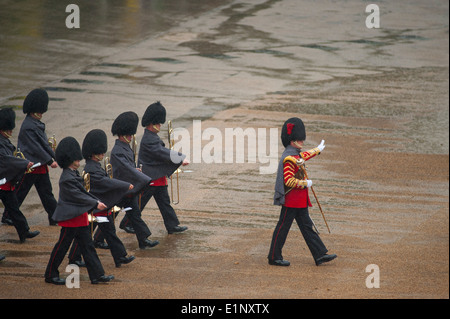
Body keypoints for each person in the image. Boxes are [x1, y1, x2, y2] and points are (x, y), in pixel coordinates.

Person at [44, 136, 114, 285]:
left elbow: (84, 193)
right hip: (71, 218)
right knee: (62, 247)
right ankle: (50, 274)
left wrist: (96, 201)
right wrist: (95, 203)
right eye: (76, 159)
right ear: (70, 160)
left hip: (78, 217)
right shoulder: (67, 178)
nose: (79, 161)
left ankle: (97, 275)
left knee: (88, 247)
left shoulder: (73, 173)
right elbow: (78, 196)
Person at [268, 117, 337, 266]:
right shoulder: (288, 158)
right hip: (292, 200)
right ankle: (274, 256)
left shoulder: (294, 155)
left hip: (299, 201)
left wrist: (317, 150)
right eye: (300, 140)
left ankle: (319, 255)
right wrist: (305, 183)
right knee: (283, 227)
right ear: (292, 141)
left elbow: (304, 156)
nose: (302, 142)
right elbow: (288, 181)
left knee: (307, 228)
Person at [67, 129, 135, 268]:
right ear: (93, 153)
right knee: (86, 235)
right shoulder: (92, 168)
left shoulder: (95, 166)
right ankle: (74, 257)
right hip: (95, 208)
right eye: (100, 152)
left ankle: (120, 257)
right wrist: (125, 185)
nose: (103, 154)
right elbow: (106, 182)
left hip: (101, 207)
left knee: (109, 233)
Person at [2, 88, 58, 226]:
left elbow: (43, 144)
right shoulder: (29, 126)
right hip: (29, 165)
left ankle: (54, 215)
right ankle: (8, 215)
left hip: (39, 165)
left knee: (47, 194)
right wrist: (50, 160)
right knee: (20, 192)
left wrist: (54, 156)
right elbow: (36, 148)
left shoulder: (35, 123)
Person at [137, 101, 189, 234]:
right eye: (159, 123)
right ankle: (128, 222)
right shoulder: (149, 139)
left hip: (157, 177)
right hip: (150, 177)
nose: (160, 125)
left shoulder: (152, 137)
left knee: (165, 203)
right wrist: (180, 157)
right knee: (140, 204)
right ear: (152, 123)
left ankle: (172, 226)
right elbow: (162, 152)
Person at [110, 111, 159, 249]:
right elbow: (126, 168)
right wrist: (143, 178)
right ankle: (97, 238)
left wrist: (136, 171)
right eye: (129, 135)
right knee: (111, 216)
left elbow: (129, 167)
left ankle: (143, 240)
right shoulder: (118, 150)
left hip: (128, 187)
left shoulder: (125, 147)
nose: (131, 137)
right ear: (122, 135)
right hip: (121, 188)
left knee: (135, 214)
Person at [0, 107, 40, 243]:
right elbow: (7, 160)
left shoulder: (4, 140)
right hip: (2, 183)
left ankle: (23, 232)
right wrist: (24, 163)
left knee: (14, 209)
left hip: (5, 184)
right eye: (9, 130)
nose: (11, 132)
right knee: (14, 208)